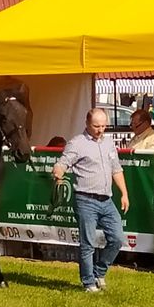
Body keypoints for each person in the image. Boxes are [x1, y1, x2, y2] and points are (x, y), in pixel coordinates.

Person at [52, 108, 129, 293]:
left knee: (117, 238)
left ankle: (99, 271)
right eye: (96, 126)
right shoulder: (77, 143)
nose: (100, 130)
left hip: (107, 200)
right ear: (87, 124)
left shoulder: (109, 143)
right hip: (85, 199)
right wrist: (58, 173)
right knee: (88, 243)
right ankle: (88, 283)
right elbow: (62, 163)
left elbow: (116, 169)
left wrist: (124, 194)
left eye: (103, 126)